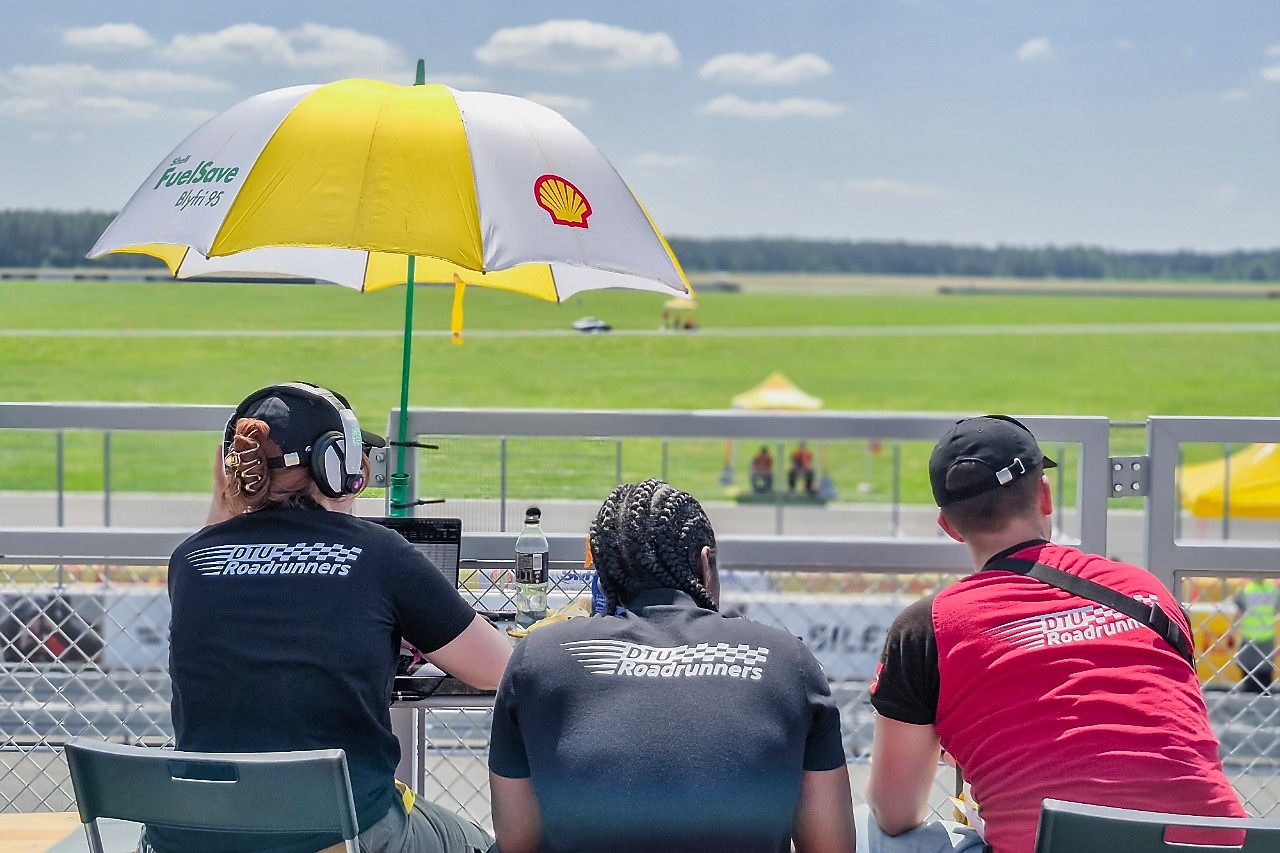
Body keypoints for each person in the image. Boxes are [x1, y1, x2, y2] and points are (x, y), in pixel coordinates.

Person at [152, 382, 511, 853]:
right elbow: (498, 669)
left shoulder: (189, 560)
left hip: (199, 834)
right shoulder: (380, 553)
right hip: (337, 833)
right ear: (336, 465)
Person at [863, 415, 1245, 853]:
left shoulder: (928, 626)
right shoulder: (1145, 590)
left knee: (866, 829)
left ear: (948, 526)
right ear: (1045, 496)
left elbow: (894, 813)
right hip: (1222, 846)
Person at [488, 479, 856, 853]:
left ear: (603, 576)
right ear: (705, 563)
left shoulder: (539, 657)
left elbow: (516, 842)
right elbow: (832, 847)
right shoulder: (786, 659)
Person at [1234, 578, 1278, 693]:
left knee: (1248, 678)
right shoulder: (1272, 590)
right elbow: (1275, 611)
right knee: (1265, 680)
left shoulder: (1245, 590)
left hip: (1249, 638)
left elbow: (1239, 613)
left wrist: (1232, 631)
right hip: (1266, 638)